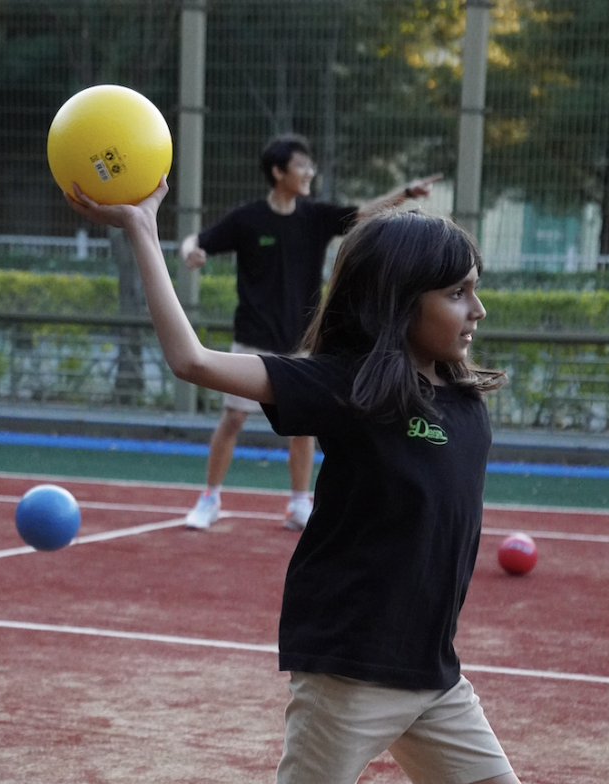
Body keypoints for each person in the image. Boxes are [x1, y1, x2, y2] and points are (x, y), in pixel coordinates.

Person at [49, 175, 609, 784]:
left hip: (432, 674)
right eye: (459, 294)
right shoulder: (353, 386)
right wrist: (142, 229)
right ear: (403, 307)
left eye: (475, 290)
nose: (479, 310)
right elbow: (189, 358)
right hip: (352, 668)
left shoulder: (461, 399)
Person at [179, 133, 441, 531]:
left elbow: (364, 212)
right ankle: (209, 497)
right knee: (233, 418)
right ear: (278, 171)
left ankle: (299, 502)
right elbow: (195, 241)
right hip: (253, 337)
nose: (309, 172)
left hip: (303, 339)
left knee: (305, 425)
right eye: (301, 165)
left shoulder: (315, 218)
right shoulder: (248, 219)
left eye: (310, 165)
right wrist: (189, 252)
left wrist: (405, 193)